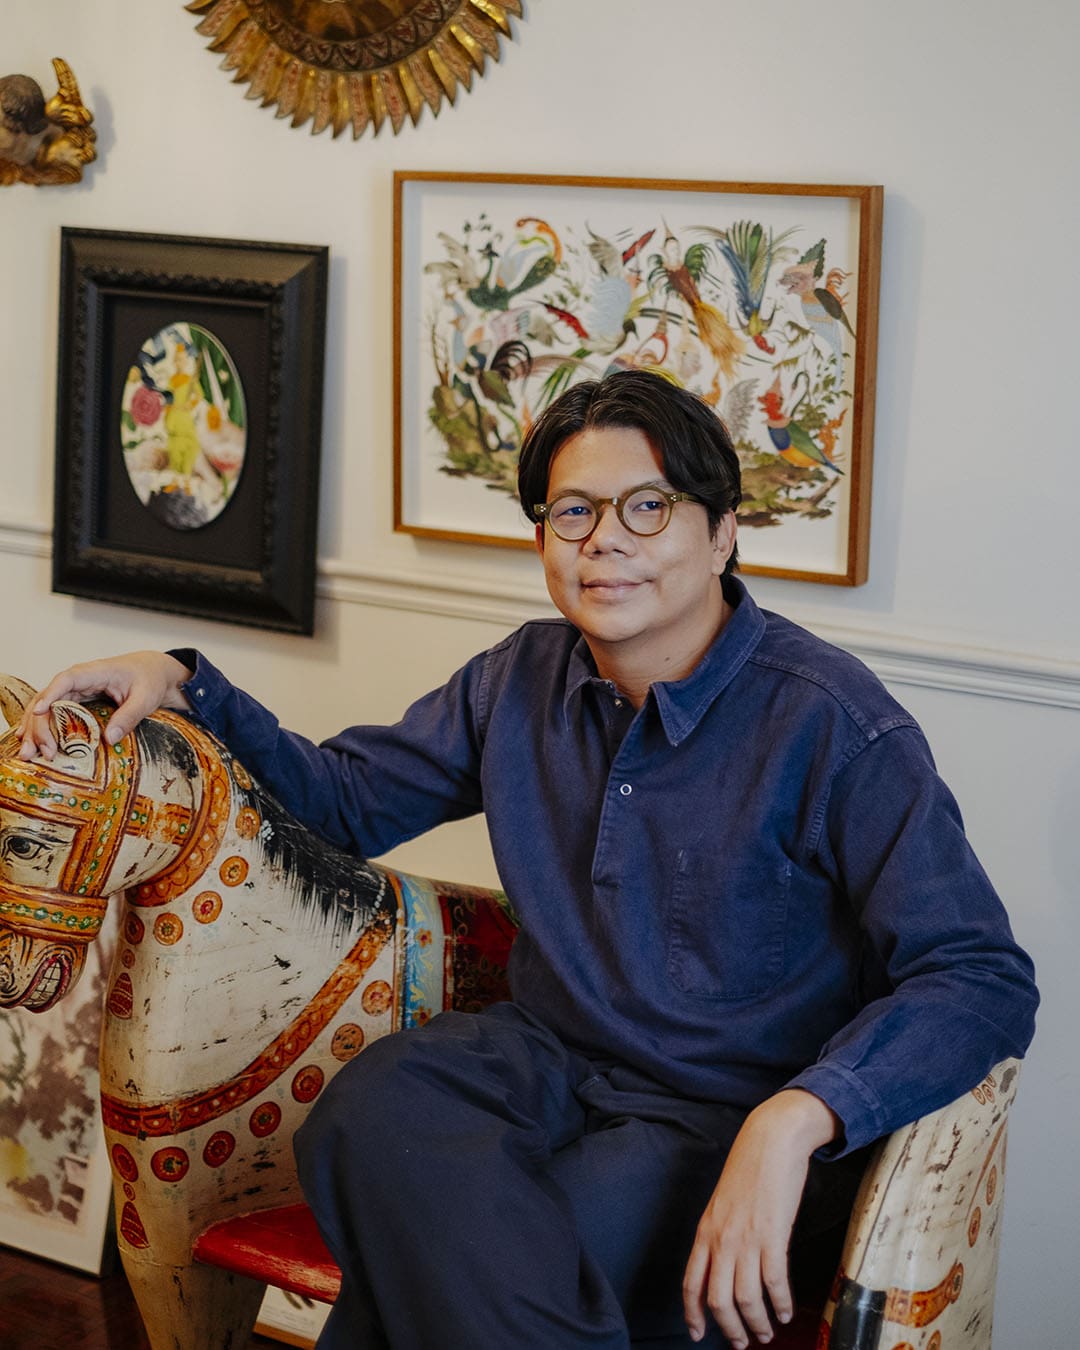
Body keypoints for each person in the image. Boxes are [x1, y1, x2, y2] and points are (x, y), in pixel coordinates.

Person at [18, 370, 1037, 1349]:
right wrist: (182, 677)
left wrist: (795, 1120)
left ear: (723, 532)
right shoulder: (519, 677)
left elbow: (979, 976)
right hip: (541, 1063)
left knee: (520, 1246)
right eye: (572, 514)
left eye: (649, 508)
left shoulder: (836, 725)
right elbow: (342, 801)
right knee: (366, 1115)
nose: (606, 544)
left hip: (717, 1112)